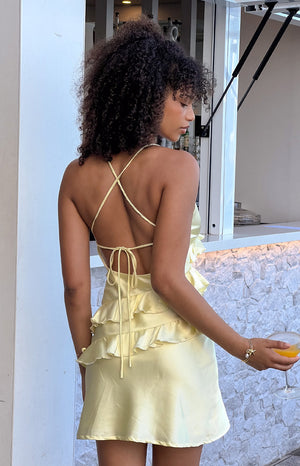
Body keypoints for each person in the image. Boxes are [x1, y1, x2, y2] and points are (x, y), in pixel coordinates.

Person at [58, 17, 298, 466]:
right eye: (182, 101)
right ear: (144, 97)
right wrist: (245, 348)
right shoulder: (178, 167)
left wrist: (87, 364)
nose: (191, 114)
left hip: (111, 353)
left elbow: (74, 290)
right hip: (175, 353)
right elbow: (167, 279)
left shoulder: (74, 177)